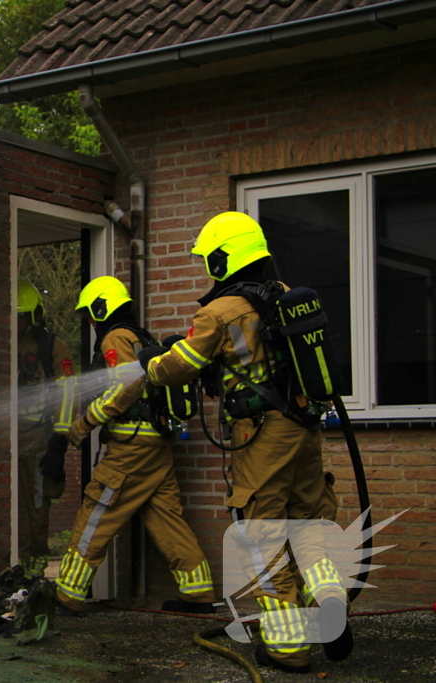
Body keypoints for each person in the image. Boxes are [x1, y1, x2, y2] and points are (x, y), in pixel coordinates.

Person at [137, 212, 351, 674]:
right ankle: (331, 598)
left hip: (261, 436)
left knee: (263, 535)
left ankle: (289, 648)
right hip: (304, 429)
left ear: (223, 258)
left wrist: (151, 363)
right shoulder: (283, 297)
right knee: (309, 523)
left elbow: (181, 367)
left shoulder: (219, 311)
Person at [58, 276, 217, 614]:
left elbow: (126, 387)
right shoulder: (140, 336)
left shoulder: (115, 337)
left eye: (90, 313)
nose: (89, 321)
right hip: (156, 445)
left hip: (130, 448)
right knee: (166, 518)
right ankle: (199, 593)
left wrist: (85, 422)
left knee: (96, 512)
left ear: (103, 307)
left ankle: (67, 595)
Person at [16, 279, 76, 580]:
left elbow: (66, 392)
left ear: (35, 315)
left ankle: (36, 567)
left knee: (37, 505)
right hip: (5, 439)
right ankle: (17, 564)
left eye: (23, 317)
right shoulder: (2, 343)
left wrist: (59, 439)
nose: (18, 323)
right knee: (10, 505)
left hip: (38, 438)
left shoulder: (52, 346)